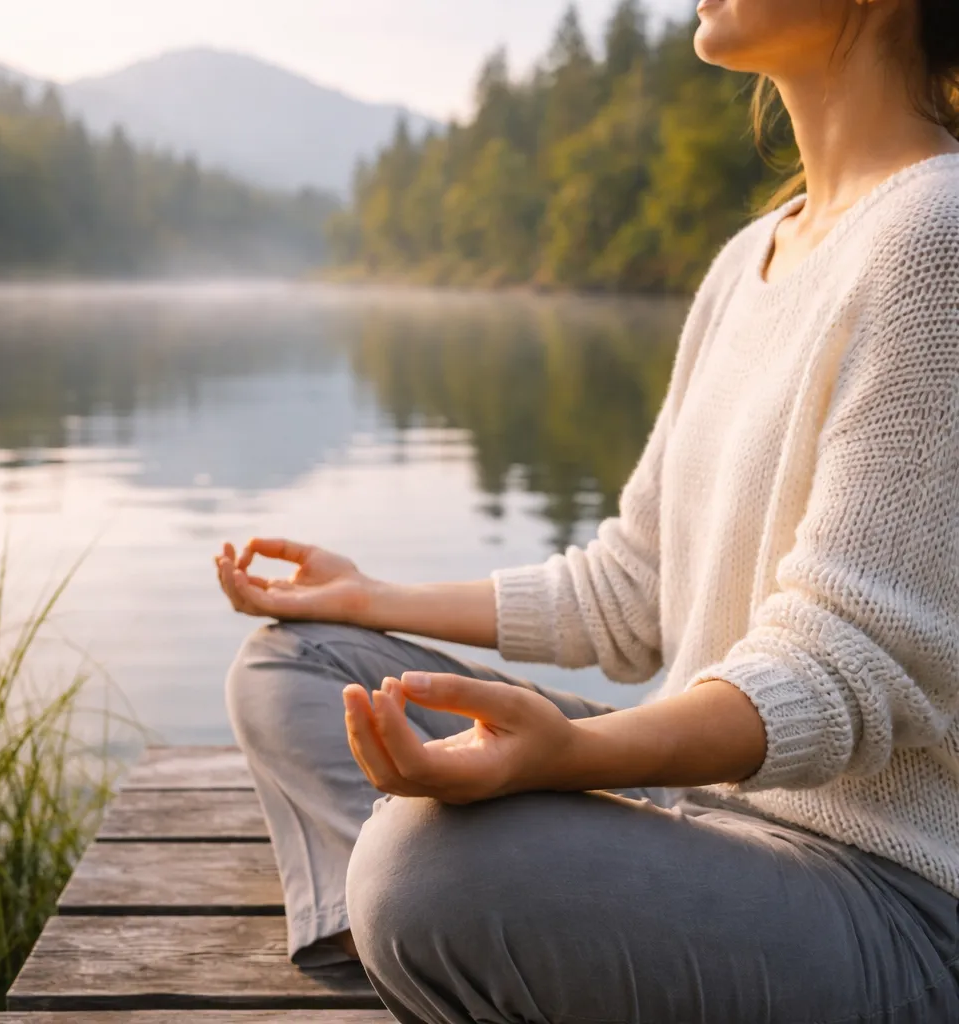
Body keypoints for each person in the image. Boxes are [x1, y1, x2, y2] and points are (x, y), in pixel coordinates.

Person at [215, 0, 959, 1019]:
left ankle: (452, 946)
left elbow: (839, 671)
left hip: (891, 901)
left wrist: (577, 755)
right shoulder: (749, 261)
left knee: (422, 864)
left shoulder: (934, 239)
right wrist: (370, 595)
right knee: (294, 663)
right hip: (715, 813)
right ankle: (449, 967)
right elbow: (632, 586)